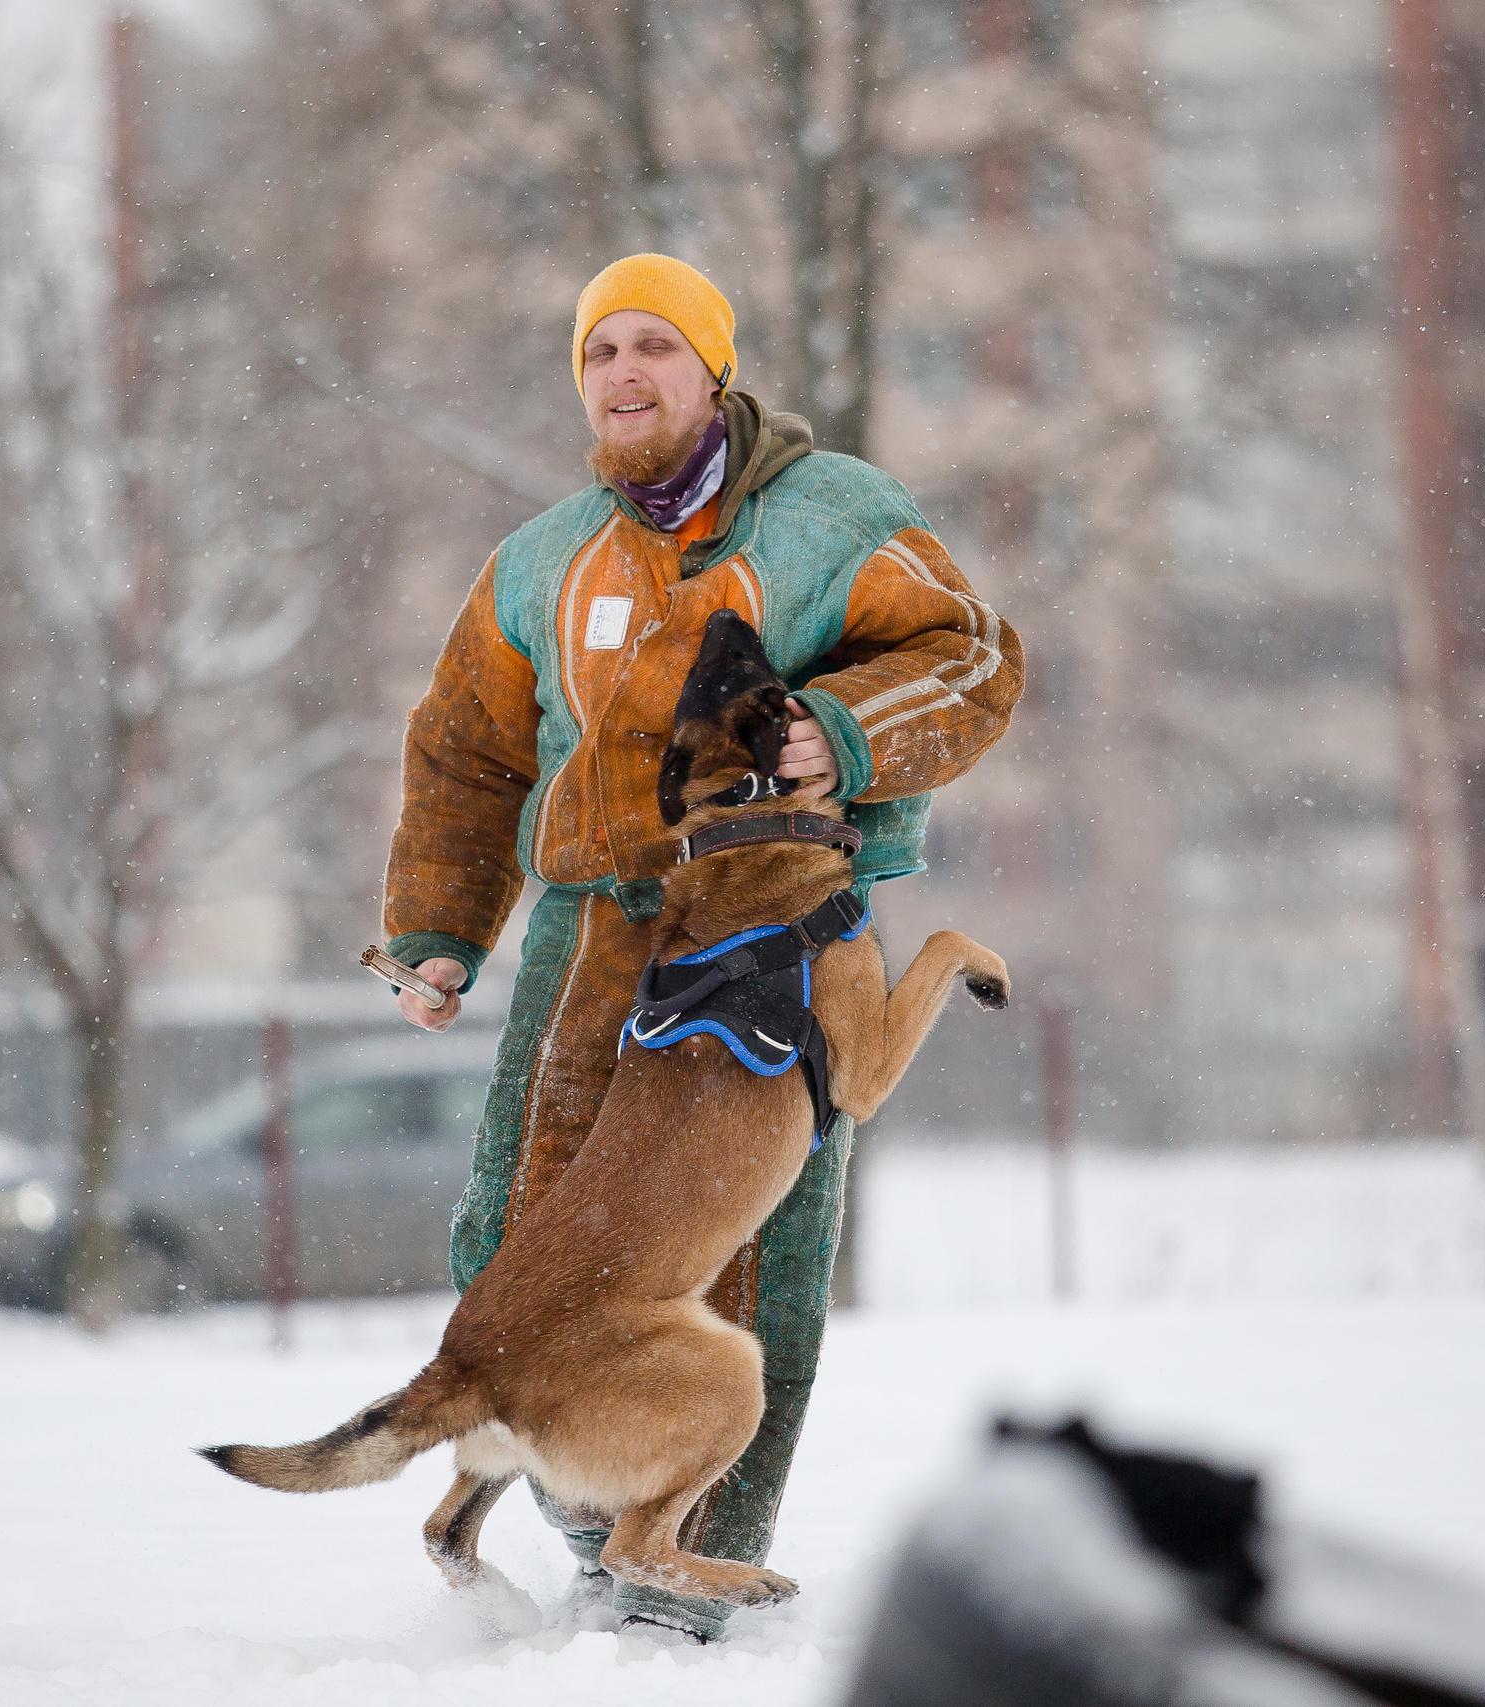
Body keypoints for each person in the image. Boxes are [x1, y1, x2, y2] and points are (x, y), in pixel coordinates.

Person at [379, 253, 1024, 1640]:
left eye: (654, 346)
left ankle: (681, 1590)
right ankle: (597, 1503)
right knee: (512, 1240)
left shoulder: (839, 516)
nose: (624, 374)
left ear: (712, 370)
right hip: (590, 937)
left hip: (777, 915)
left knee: (751, 1270)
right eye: (600, 351)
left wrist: (839, 730)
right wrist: (438, 934)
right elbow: (466, 754)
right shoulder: (542, 559)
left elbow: (972, 658)